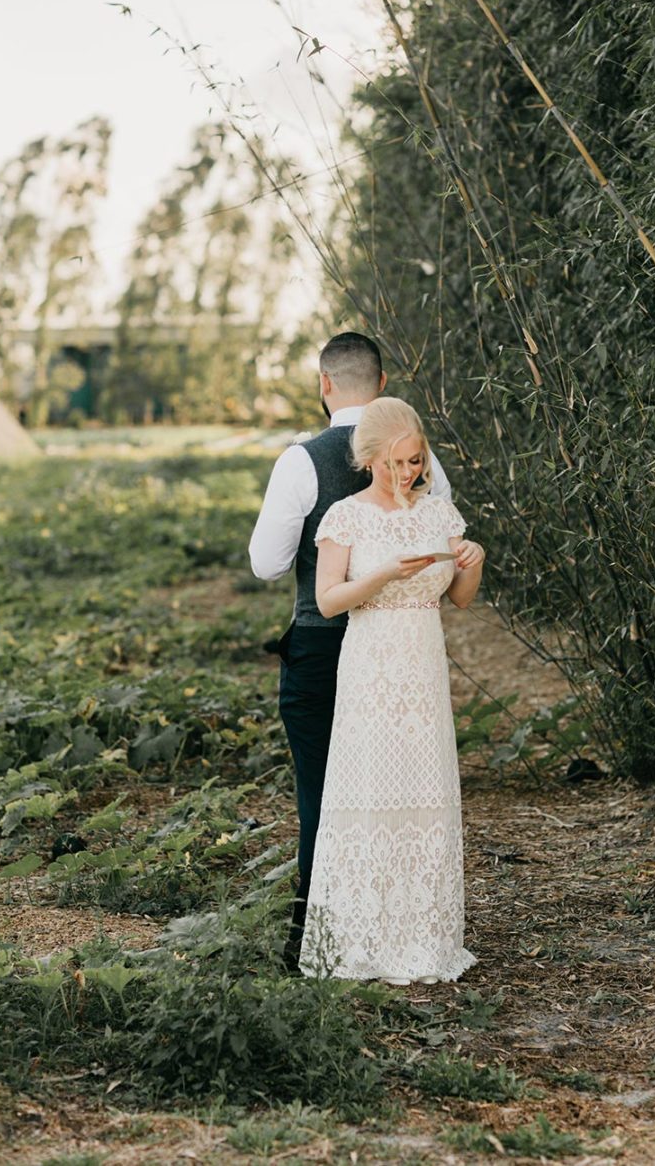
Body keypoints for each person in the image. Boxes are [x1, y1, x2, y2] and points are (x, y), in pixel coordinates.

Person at [248, 334, 453, 964]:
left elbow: (266, 563)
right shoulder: (422, 460)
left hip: (320, 641)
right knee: (399, 789)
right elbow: (439, 542)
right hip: (403, 654)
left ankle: (318, 937)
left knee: (324, 793)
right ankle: (399, 924)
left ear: (324, 384)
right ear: (383, 380)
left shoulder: (300, 461)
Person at [299, 396, 484, 984]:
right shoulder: (346, 517)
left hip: (423, 666)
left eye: (416, 461)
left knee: (425, 788)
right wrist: (381, 574)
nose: (408, 473)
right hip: (371, 666)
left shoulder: (438, 513)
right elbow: (328, 600)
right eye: (398, 462)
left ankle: (424, 939)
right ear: (371, 457)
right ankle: (361, 942)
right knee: (371, 789)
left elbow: (458, 597)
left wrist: (472, 561)